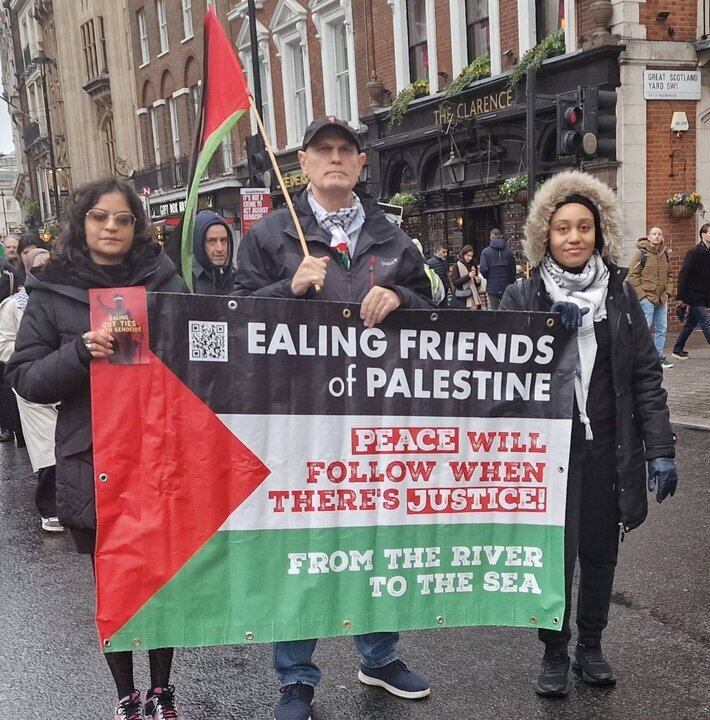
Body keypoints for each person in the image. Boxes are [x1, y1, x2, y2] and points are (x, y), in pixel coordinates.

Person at [234, 116, 433, 720]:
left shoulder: (391, 235)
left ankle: (379, 656)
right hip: (296, 419)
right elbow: (230, 313)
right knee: (302, 544)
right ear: (303, 161)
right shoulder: (270, 235)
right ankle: (295, 677)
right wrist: (285, 290)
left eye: (347, 149)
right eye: (324, 150)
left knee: (375, 538)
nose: (336, 158)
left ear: (361, 162)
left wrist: (402, 297)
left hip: (376, 417)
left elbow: (434, 306)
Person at [7, 178, 188, 720]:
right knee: (113, 581)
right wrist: (81, 351)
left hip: (159, 450)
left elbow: (202, 352)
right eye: (100, 216)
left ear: (136, 226)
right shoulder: (52, 288)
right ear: (81, 222)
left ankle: (162, 691)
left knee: (161, 579)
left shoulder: (164, 279)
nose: (111, 227)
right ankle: (126, 696)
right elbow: (26, 379)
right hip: (94, 455)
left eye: (123, 218)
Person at [499, 170, 677, 698]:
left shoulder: (620, 297)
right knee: (555, 557)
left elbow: (645, 377)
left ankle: (591, 647)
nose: (574, 237)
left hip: (607, 451)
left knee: (600, 554)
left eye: (584, 227)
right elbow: (501, 383)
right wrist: (545, 336)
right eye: (562, 228)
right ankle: (554, 651)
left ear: (599, 233)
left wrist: (660, 449)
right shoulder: (521, 296)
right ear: (545, 236)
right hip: (547, 456)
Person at [0, 247, 62, 531]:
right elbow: (4, 344)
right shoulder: (13, 306)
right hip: (34, 387)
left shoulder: (66, 299)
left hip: (66, 380)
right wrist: (32, 356)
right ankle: (50, 508)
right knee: (48, 448)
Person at [627, 226, 674, 368]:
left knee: (661, 329)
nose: (657, 236)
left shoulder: (665, 254)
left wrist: (668, 292)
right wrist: (642, 296)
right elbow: (632, 275)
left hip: (661, 298)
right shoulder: (641, 253)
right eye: (654, 234)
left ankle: (658, 357)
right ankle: (640, 359)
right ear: (649, 237)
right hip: (647, 298)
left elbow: (670, 275)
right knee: (644, 330)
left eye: (659, 234)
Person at [671, 223, 710, 358]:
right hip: (694, 295)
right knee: (706, 322)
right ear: (703, 235)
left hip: (704, 294)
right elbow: (684, 274)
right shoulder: (693, 253)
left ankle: (677, 349)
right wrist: (681, 296)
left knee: (690, 324)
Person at [192, 209, 238, 294]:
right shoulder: (187, 283)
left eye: (223, 240)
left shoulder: (238, 279)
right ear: (199, 244)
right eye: (212, 241)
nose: (220, 248)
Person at [479, 227, 516, 309]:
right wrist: (511, 281)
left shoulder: (485, 252)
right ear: (501, 236)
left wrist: (489, 277)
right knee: (507, 310)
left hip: (492, 286)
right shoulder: (509, 252)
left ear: (491, 237)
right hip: (506, 286)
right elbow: (513, 270)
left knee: (495, 311)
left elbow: (483, 269)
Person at [448, 244, 483, 309]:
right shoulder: (457, 265)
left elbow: (476, 284)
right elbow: (455, 282)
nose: (470, 258)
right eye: (468, 256)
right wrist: (468, 276)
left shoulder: (473, 265)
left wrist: (478, 282)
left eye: (471, 256)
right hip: (462, 297)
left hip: (474, 295)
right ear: (463, 255)